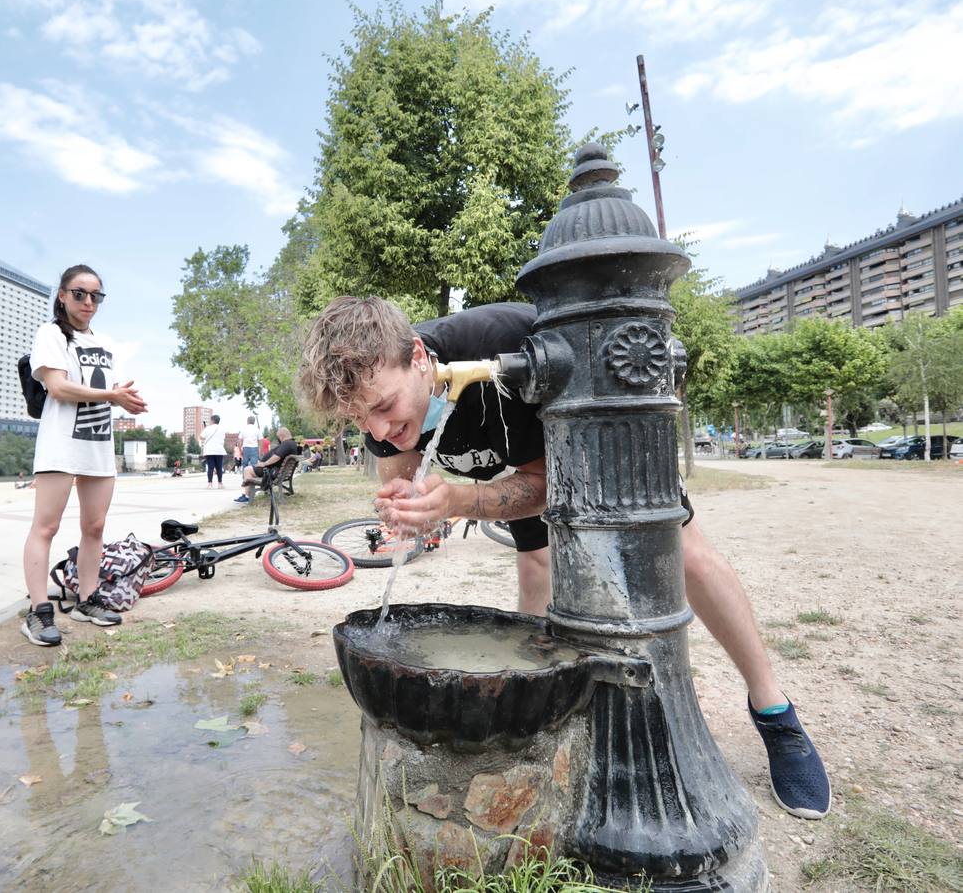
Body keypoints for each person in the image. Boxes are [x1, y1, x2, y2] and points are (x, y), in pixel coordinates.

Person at [297, 296, 831, 821]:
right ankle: (537, 707)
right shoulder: (373, 396)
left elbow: (558, 482)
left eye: (385, 408)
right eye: (357, 419)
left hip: (599, 426)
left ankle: (774, 710)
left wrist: (462, 499)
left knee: (685, 554)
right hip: (519, 461)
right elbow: (403, 482)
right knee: (537, 564)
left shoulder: (497, 345)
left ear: (417, 356)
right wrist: (406, 509)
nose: (377, 431)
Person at [21, 264, 147, 646]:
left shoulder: (105, 343)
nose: (88, 302)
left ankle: (87, 600)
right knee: (46, 527)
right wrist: (112, 395)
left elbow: (99, 392)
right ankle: (39, 612)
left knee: (95, 527)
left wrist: (121, 398)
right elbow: (58, 388)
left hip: (97, 444)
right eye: (79, 293)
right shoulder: (50, 334)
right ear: (62, 295)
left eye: (96, 295)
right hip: (61, 444)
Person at [233, 426, 299, 503]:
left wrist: (264, 463)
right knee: (250, 469)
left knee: (247, 470)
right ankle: (248, 494)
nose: (279, 440)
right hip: (278, 471)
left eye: (278, 438)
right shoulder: (292, 443)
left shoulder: (286, 444)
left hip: (271, 471)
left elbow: (277, 457)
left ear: (281, 436)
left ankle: (246, 496)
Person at [200, 414, 226, 488]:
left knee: (210, 467)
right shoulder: (222, 429)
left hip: (209, 450)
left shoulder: (207, 428)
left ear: (212, 420)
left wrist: (204, 429)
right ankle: (220, 483)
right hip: (219, 450)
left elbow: (201, 437)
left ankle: (210, 484)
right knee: (219, 467)